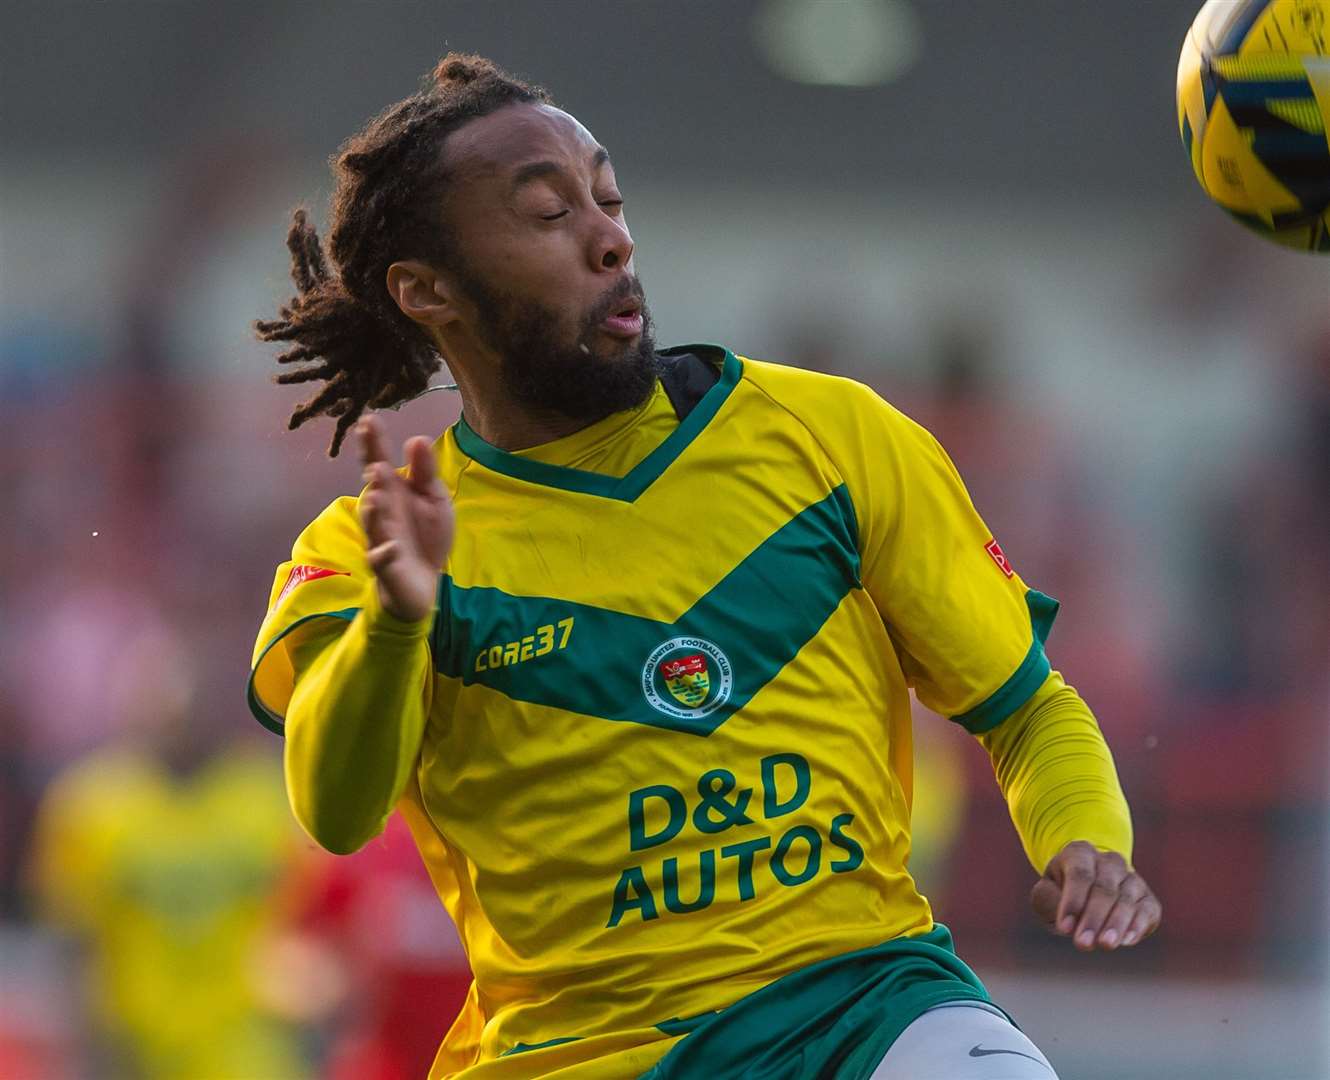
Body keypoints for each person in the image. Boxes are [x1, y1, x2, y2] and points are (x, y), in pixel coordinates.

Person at [249, 54, 1161, 1080]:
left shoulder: (834, 437)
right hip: (576, 1055)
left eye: (608, 196)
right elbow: (335, 809)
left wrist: (1086, 839)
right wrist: (398, 621)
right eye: (549, 215)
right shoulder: (375, 549)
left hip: (863, 1011)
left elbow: (1026, 707)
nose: (610, 237)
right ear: (429, 290)